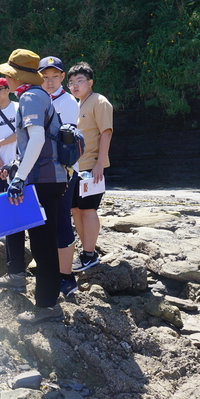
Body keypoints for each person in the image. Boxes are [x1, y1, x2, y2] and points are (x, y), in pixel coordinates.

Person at [0, 49, 68, 324]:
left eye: (7, 75)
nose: (5, 80)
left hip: (45, 180)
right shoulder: (37, 96)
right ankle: (47, 300)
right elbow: (33, 143)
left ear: (18, 77)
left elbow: (37, 139)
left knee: (43, 244)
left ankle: (48, 306)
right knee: (42, 242)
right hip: (47, 178)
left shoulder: (29, 97)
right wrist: (16, 167)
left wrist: (19, 179)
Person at [39, 56, 81, 296]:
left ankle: (67, 277)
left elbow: (61, 139)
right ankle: (55, 269)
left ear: (62, 77)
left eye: (54, 76)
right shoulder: (43, 99)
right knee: (47, 221)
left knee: (61, 221)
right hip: (44, 171)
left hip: (62, 170)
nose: (50, 81)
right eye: (45, 77)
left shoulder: (68, 102)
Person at [66, 62, 113, 273]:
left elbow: (106, 132)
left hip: (91, 167)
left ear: (90, 82)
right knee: (75, 209)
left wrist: (99, 164)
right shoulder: (76, 105)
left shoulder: (99, 102)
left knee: (88, 210)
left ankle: (89, 254)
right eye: (71, 82)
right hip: (74, 168)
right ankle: (87, 252)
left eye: (79, 81)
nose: (75, 85)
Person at [0, 78, 27, 291]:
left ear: (8, 90)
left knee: (17, 210)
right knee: (3, 211)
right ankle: (12, 265)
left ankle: (18, 268)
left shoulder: (19, 108)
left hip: (17, 167)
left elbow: (20, 133)